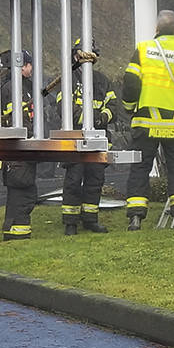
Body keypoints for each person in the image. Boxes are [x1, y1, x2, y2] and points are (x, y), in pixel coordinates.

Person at [120, 10, 174, 230]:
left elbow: (130, 82)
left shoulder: (144, 49)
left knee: (140, 167)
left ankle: (136, 217)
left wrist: (129, 108)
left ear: (156, 29)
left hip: (146, 121)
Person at [55, 40, 117, 236]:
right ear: (75, 55)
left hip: (98, 140)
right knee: (73, 180)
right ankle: (70, 222)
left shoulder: (102, 80)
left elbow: (113, 105)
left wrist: (102, 117)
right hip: (74, 139)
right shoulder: (68, 79)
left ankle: (91, 219)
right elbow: (62, 107)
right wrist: (86, 119)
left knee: (95, 180)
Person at [0, 49, 38, 241]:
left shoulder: (18, 86)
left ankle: (16, 230)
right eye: (29, 64)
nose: (31, 68)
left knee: (22, 189)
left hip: (19, 150)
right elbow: (18, 118)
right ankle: (16, 232)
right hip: (18, 149)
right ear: (23, 66)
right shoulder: (13, 89)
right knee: (23, 189)